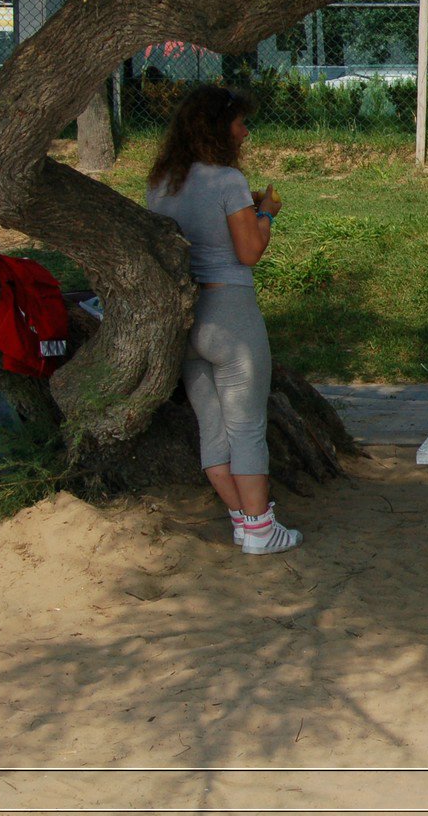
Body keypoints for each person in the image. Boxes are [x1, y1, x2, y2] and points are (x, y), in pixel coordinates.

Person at [146, 86, 302, 555]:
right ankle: (260, 530)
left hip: (184, 316)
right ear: (218, 127)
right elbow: (249, 251)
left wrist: (245, 210)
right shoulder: (227, 179)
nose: (245, 131)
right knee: (247, 426)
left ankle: (243, 521)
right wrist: (266, 214)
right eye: (239, 123)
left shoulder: (162, 183)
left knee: (211, 428)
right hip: (229, 311)